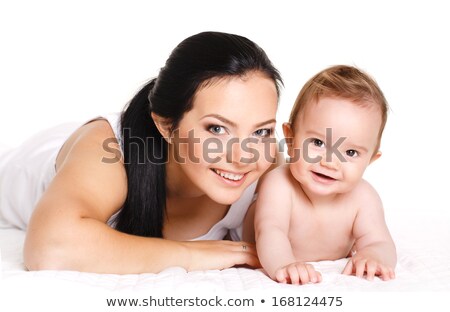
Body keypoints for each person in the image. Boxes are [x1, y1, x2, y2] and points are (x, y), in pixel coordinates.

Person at [0, 31, 283, 274]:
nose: (243, 156)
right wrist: (195, 255)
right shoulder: (109, 151)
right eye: (217, 129)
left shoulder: (270, 167)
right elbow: (50, 247)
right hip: (37, 159)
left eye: (261, 132)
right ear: (166, 125)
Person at [254, 65, 396, 285]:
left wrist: (374, 256)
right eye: (318, 143)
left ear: (370, 160)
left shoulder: (363, 197)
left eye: (350, 152)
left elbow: (380, 242)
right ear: (290, 140)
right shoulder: (279, 184)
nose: (329, 162)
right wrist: (284, 263)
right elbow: (270, 231)